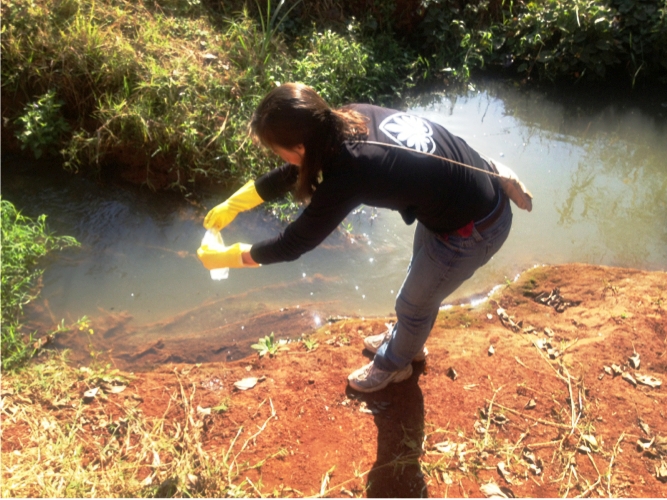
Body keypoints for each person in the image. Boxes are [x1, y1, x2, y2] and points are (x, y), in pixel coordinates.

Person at [197, 82, 531, 393]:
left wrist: (231, 256)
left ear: (299, 145)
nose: (279, 157)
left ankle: (394, 365)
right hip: (459, 202)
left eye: (278, 149)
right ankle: (407, 341)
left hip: (473, 227)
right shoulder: (346, 118)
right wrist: (236, 203)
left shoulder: (350, 172)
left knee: (413, 303)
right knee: (420, 290)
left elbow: (294, 242)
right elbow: (295, 170)